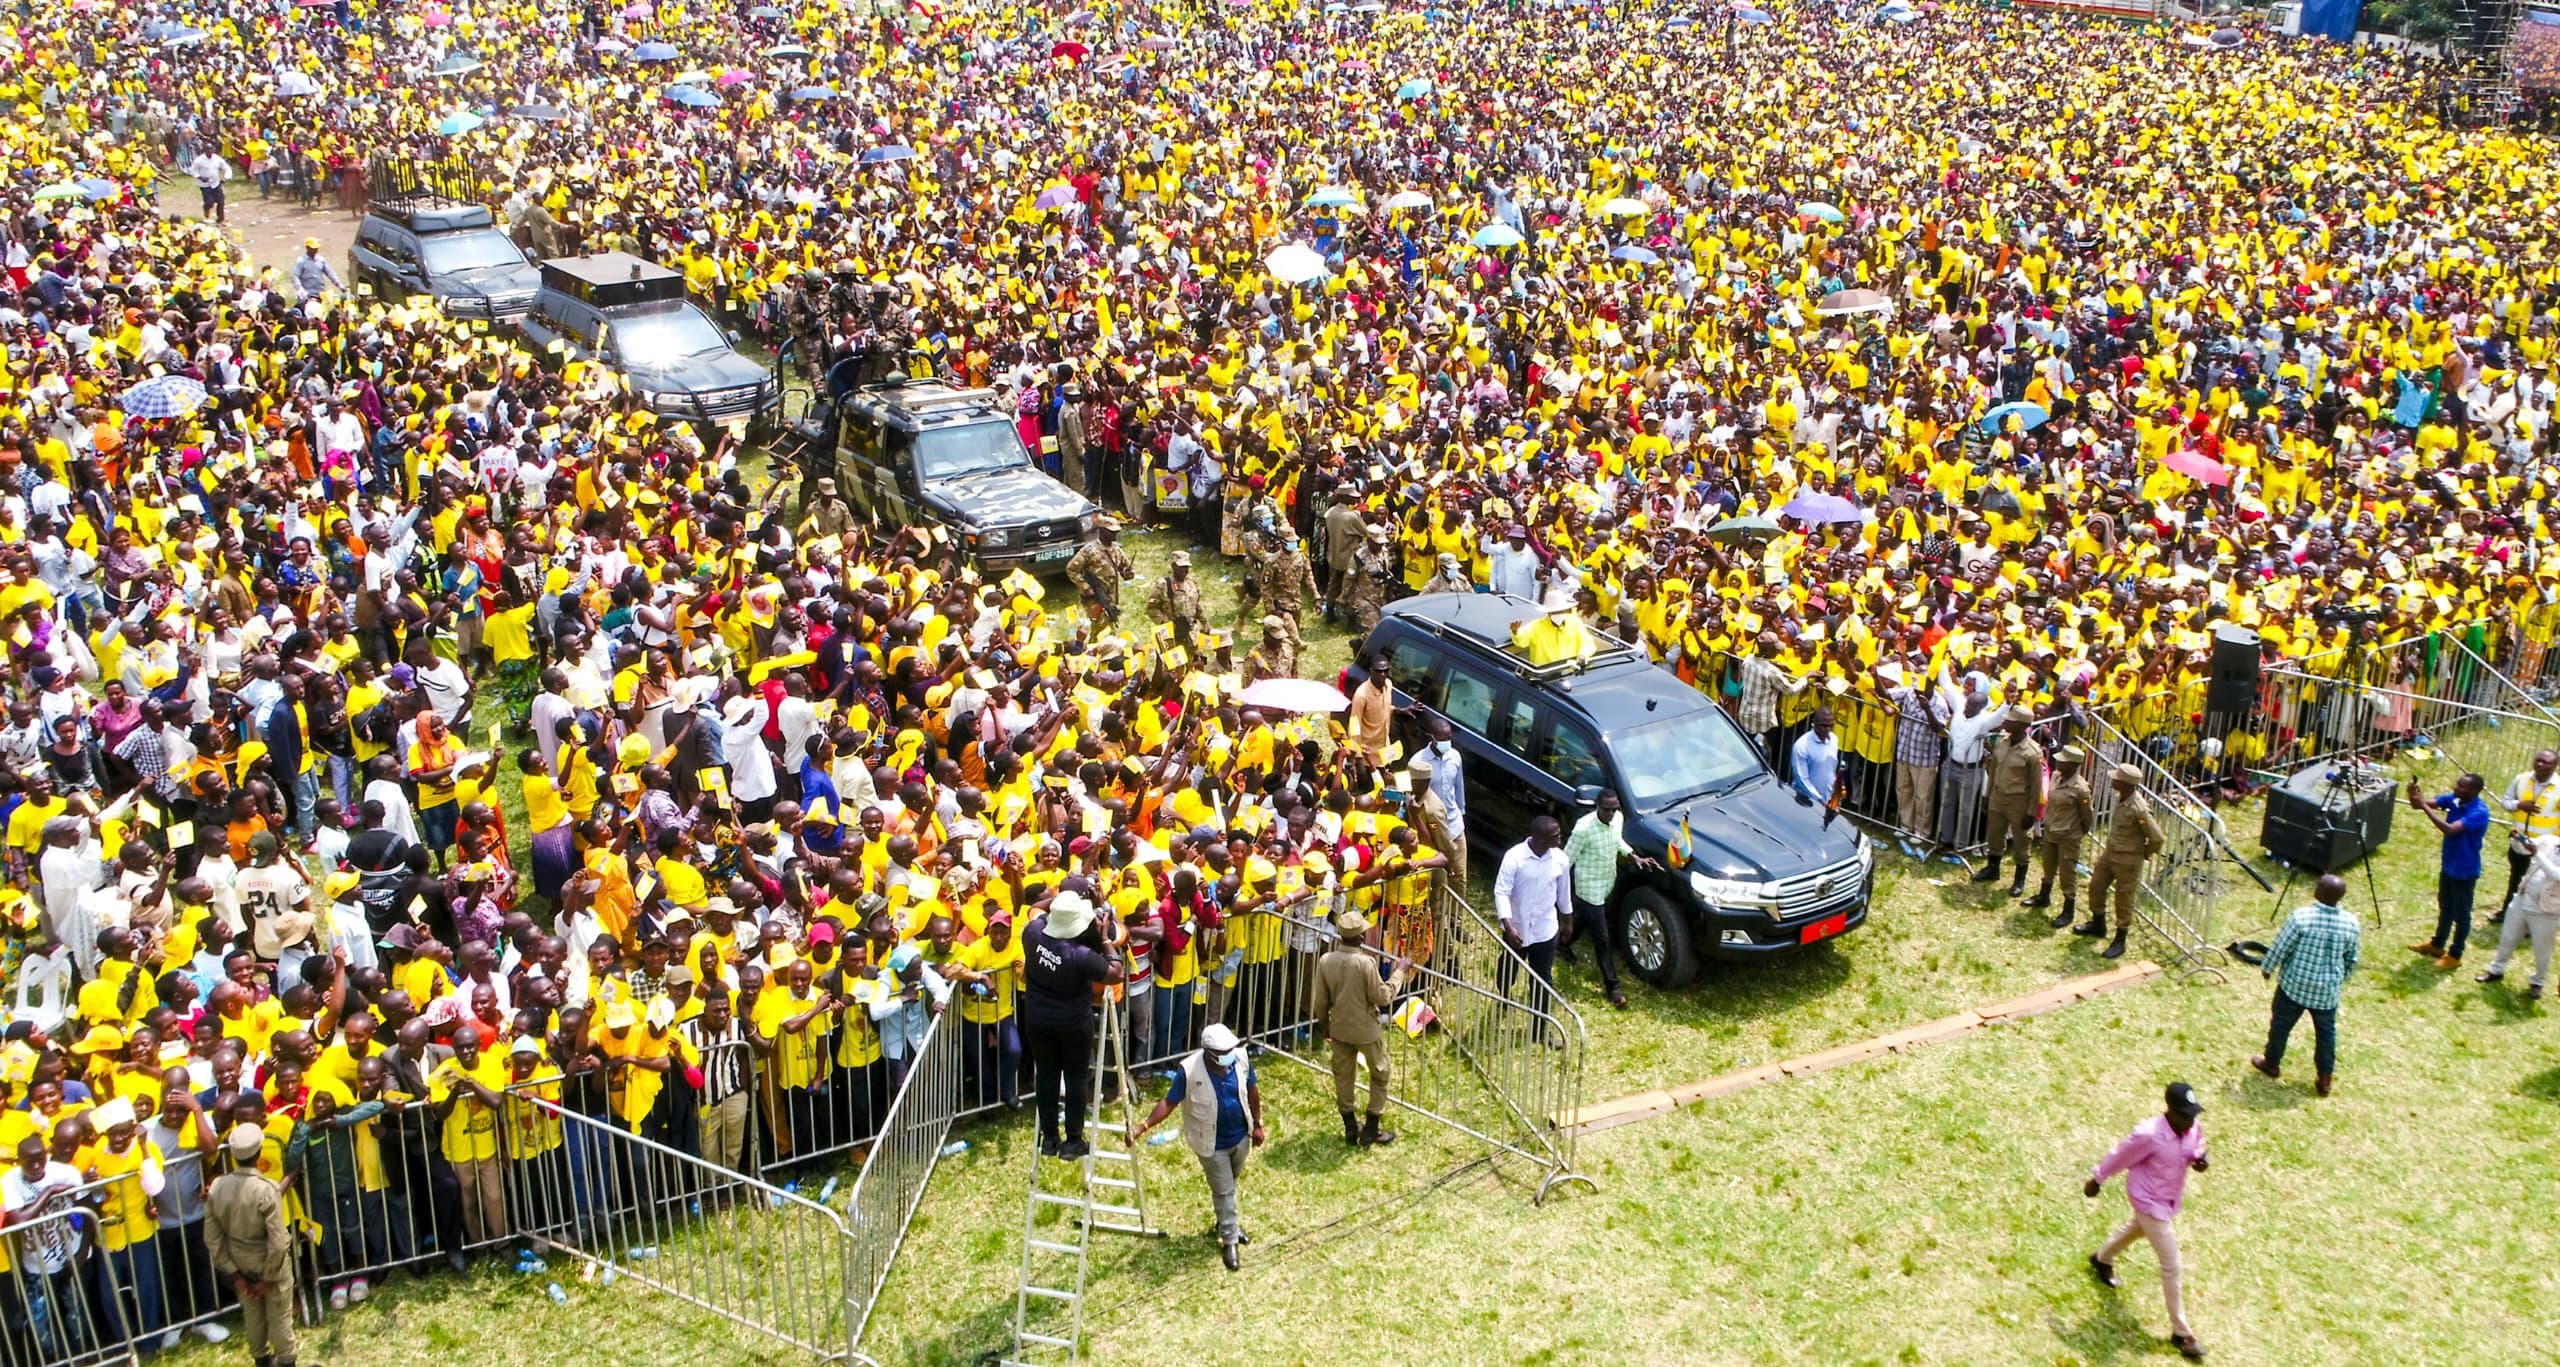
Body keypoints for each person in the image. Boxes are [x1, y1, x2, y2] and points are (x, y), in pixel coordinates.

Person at [2084, 1082, 2210, 1363]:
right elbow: (2120, 1155)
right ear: (2170, 1111)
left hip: (2167, 1201)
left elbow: (2197, 1142)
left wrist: (2200, 1157)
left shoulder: (2191, 1128)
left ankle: (2102, 1258)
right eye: (2185, 1114)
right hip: (2148, 1201)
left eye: (2193, 1114)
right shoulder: (2149, 1135)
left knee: (2137, 1230)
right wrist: (2097, 1179)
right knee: (2172, 1264)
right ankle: (2182, 1333)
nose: (2191, 1120)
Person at [1131, 1022, 1263, 1271]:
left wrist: (1257, 1124)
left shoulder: (1241, 1059)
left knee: (1229, 1184)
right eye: (1224, 1053)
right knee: (1224, 1190)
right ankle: (1230, 1239)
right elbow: (1168, 1103)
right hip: (1211, 1145)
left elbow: (1252, 1090)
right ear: (1211, 1054)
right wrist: (1143, 1127)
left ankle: (1225, 1222)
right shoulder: (1189, 1071)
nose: (1230, 1056)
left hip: (1240, 1137)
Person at [1019, 892, 1122, 1160]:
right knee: (1076, 1078)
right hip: (1073, 1023)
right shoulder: (1080, 954)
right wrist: (1106, 939)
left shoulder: (1033, 934)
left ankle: (1050, 1139)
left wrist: (1055, 898)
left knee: (1047, 1075)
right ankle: (1073, 1141)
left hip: (1038, 1019)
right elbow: (1114, 974)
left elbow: (1033, 909)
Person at [2250, 874, 2361, 1097]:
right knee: (2326, 1034)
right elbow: (2352, 958)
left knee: (2281, 1025)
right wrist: (2341, 979)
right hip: (2326, 992)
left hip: (2294, 986)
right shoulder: (2351, 923)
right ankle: (2325, 1078)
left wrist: (2267, 967)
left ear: (2319, 893)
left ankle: (2271, 1063)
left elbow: (2282, 946)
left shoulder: (2301, 917)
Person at [1308, 910, 1410, 1147]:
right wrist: (1400, 973)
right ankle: (1372, 1127)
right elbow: (1382, 997)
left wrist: (1325, 1027)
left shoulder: (1326, 961)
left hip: (1339, 1028)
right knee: (1380, 1072)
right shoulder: (1365, 962)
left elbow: (1320, 1002)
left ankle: (1351, 1127)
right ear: (1362, 938)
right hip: (1366, 1030)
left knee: (1343, 1076)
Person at [206, 1123, 297, 1367]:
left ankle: (261, 1358)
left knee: (253, 1316)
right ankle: (286, 1361)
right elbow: (277, 1241)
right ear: (258, 1154)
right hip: (269, 1262)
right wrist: (268, 1279)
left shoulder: (217, 1187)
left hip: (239, 1260)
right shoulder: (265, 1189)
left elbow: (213, 1238)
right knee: (279, 1317)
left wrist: (235, 1275)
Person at [1560, 789, 1656, 1009]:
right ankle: (1613, 988)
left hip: (1605, 884)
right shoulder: (1583, 829)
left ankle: (1562, 943)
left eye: (1614, 809)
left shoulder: (1618, 819)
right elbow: (1565, 861)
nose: (1611, 814)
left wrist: (1633, 856)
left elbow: (1617, 841)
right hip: (1588, 889)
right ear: (1597, 807)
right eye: (1607, 809)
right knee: (1602, 940)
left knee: (1584, 920)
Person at [2407, 772, 2491, 970]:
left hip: (2465, 869)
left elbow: (2451, 830)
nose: (2456, 788)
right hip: (2449, 864)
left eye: (2462, 786)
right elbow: (2419, 805)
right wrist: (2414, 796)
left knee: (2462, 914)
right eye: (2457, 783)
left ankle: (2455, 954)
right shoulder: (2453, 799)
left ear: (2474, 791)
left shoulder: (2479, 812)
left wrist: (2425, 806)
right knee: (2445, 906)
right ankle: (2437, 944)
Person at [1492, 815, 1572, 1024]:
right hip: (1516, 930)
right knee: (1508, 969)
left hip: (1545, 930)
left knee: (1542, 979)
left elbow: (1564, 894)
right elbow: (1501, 892)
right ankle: (1504, 995)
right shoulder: (1514, 857)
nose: (1560, 839)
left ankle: (1540, 1027)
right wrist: (1508, 926)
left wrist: (1567, 922)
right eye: (1555, 835)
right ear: (1539, 837)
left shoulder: (1560, 859)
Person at [2080, 765, 2162, 960]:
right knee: (2096, 886)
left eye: (2116, 779)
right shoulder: (2121, 798)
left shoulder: (2138, 808)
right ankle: (2098, 923)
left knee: (2123, 899)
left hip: (2128, 860)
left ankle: (2120, 939)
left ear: (2125, 784)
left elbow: (2157, 837)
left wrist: (2145, 854)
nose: (2112, 780)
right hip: (2111, 853)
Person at [2479, 831, 2560, 1000]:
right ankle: (2496, 970)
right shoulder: (2549, 840)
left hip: (2546, 910)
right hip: (2523, 899)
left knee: (2542, 949)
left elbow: (2556, 875)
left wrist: (2537, 853)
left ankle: (2538, 981)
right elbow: (2525, 848)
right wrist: (2517, 841)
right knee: (2508, 937)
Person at [1974, 712, 2045, 895]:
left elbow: (2036, 786)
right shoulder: (2003, 742)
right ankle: (1992, 868)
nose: (2005, 722)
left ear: (2022, 725)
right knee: (1994, 834)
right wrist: (1987, 795)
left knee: (2022, 840)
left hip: (2018, 802)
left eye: (2010, 721)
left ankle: (2019, 880)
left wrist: (2031, 812)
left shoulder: (2033, 752)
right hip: (1998, 796)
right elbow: (1994, 770)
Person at [2028, 745, 2095, 930]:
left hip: (2068, 836)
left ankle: (2068, 909)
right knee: (2048, 866)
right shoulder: (2056, 776)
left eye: (2063, 760)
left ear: (2073, 765)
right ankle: (2044, 896)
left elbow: (2087, 817)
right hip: (2051, 830)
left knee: (2067, 873)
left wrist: (2077, 833)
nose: (2059, 762)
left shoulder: (2081, 789)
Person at [2492, 750, 2560, 918]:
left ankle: (2533, 921)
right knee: (2515, 879)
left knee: (2539, 885)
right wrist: (2518, 804)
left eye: (2546, 762)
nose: (2540, 765)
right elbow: (2505, 802)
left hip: (2545, 849)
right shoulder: (2521, 779)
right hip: (2519, 843)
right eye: (2538, 760)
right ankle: (2507, 912)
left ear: (2555, 766)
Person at [1788, 706, 1845, 810]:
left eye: (1831, 725)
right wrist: (1819, 800)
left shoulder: (1834, 740)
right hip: (1805, 803)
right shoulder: (1802, 746)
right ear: (1814, 723)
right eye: (1824, 725)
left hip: (1829, 801)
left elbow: (1831, 770)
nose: (1828, 729)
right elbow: (1802, 780)